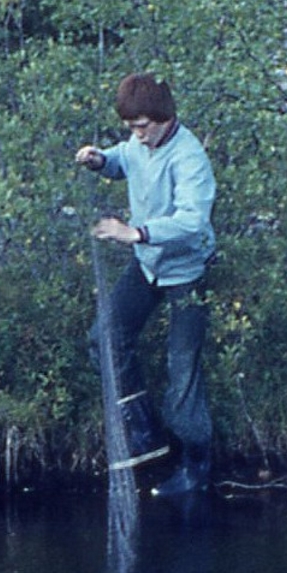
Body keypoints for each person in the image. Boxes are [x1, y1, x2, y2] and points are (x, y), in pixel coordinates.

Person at [76, 73, 217, 497]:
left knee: (181, 378)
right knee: (104, 338)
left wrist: (135, 233)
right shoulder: (138, 143)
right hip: (148, 266)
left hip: (187, 274)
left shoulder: (189, 158)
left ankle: (197, 469)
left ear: (164, 118)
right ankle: (144, 432)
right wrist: (100, 160)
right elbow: (122, 160)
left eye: (142, 126)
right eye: (130, 126)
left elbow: (194, 221)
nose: (136, 134)